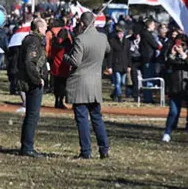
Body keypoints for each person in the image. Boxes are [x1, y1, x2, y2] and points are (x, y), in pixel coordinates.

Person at [64, 12, 111, 159]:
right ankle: (104, 149)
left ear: (83, 24)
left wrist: (65, 56)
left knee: (82, 118)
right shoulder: (103, 38)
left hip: (80, 83)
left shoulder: (80, 39)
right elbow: (108, 50)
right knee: (97, 117)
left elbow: (75, 62)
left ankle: (86, 151)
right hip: (95, 83)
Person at [17, 18, 48, 157]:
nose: (46, 31)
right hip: (32, 83)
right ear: (40, 28)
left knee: (31, 114)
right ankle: (27, 147)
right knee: (32, 115)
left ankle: (27, 145)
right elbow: (30, 63)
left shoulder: (34, 41)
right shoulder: (33, 42)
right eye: (45, 28)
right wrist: (38, 80)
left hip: (32, 81)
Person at [162, 35, 188, 143]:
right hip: (175, 87)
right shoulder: (172, 55)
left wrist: (183, 54)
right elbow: (167, 65)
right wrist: (172, 54)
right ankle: (167, 132)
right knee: (173, 112)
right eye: (178, 44)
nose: (180, 46)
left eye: (182, 44)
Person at [48, 27, 72, 109]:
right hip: (64, 65)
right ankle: (60, 101)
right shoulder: (67, 44)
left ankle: (56, 101)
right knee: (63, 85)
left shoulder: (54, 42)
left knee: (56, 85)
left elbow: (51, 54)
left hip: (55, 65)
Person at [108, 24, 131, 102]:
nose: (120, 35)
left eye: (122, 33)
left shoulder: (127, 42)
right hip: (116, 64)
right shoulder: (112, 41)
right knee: (118, 81)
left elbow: (128, 54)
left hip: (124, 65)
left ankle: (114, 95)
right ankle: (119, 96)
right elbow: (110, 55)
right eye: (119, 33)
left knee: (122, 82)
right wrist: (109, 66)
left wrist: (129, 66)